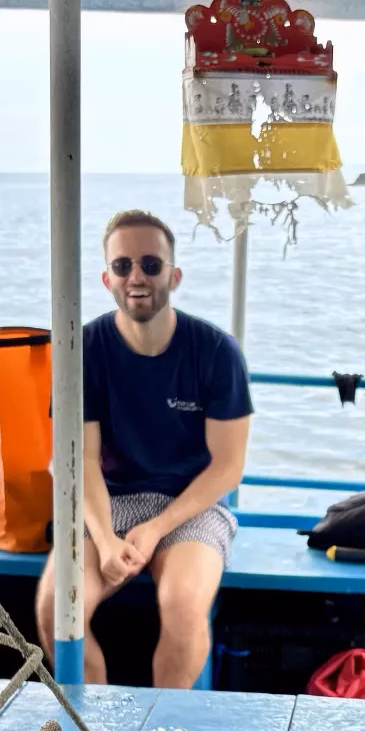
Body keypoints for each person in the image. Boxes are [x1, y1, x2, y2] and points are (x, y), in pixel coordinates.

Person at [36, 210, 252, 688]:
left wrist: (156, 528)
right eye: (123, 265)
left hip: (191, 505)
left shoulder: (216, 352)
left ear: (174, 276)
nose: (136, 276)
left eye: (151, 265)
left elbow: (227, 467)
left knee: (183, 604)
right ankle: (94, 720)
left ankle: (164, 726)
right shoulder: (83, 348)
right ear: (107, 278)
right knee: (55, 608)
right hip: (107, 502)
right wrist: (105, 538)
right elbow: (80, 461)